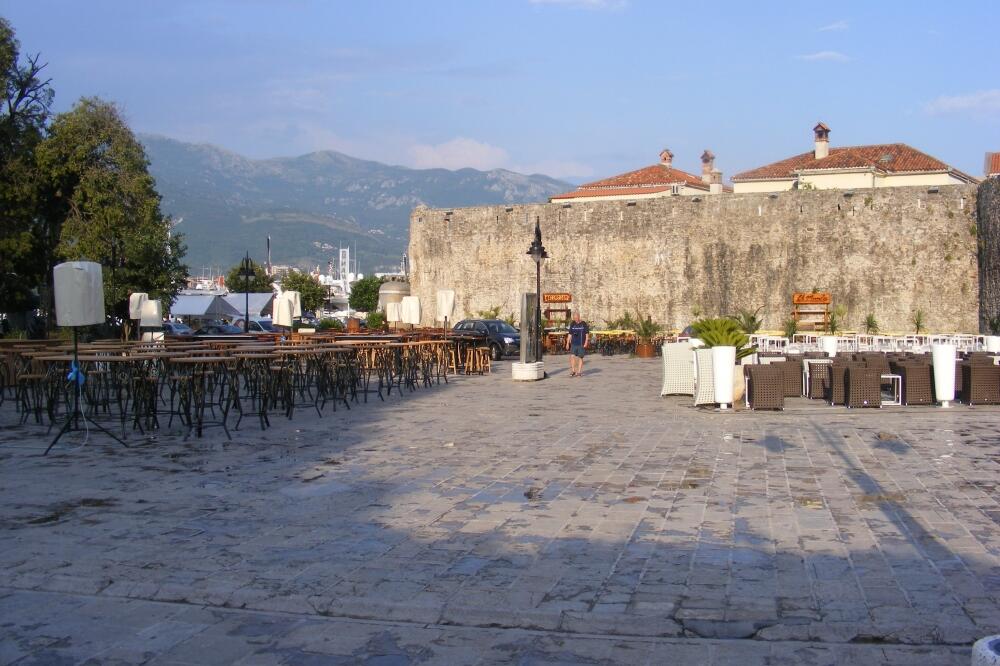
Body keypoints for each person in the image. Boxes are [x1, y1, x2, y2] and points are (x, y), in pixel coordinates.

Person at [565, 311, 590, 377]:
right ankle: (573, 371)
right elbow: (570, 334)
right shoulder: (572, 323)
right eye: (574, 318)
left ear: (579, 317)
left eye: (576, 318)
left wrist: (586, 342)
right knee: (572, 356)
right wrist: (567, 343)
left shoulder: (583, 324)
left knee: (580, 357)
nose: (575, 319)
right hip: (573, 343)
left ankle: (579, 372)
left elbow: (587, 334)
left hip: (581, 343)